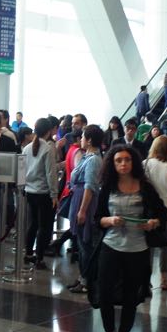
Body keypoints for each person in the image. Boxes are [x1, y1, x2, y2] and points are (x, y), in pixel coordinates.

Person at [93, 144, 166, 332]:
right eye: (118, 160)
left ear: (133, 162)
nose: (123, 164)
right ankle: (109, 330)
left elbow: (162, 214)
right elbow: (97, 219)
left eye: (127, 159)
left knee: (130, 296)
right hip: (111, 245)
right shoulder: (107, 187)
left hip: (138, 248)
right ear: (112, 164)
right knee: (104, 292)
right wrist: (109, 220)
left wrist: (153, 222)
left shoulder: (145, 187)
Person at [143, 136, 167, 291]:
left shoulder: (145, 164)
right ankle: (164, 280)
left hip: (149, 210)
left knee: (148, 246)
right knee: (165, 245)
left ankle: (146, 280)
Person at [69, 125, 106, 294]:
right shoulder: (88, 157)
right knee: (82, 244)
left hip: (86, 202)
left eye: (83, 137)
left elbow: (90, 186)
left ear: (89, 140)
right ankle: (83, 277)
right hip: (79, 198)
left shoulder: (93, 160)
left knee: (86, 244)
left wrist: (83, 210)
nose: (81, 139)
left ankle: (87, 281)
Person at [21, 117, 60, 271]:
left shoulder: (26, 148)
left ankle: (28, 253)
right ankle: (39, 257)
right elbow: (51, 173)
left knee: (33, 224)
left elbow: (23, 170)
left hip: (30, 191)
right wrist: (54, 194)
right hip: (44, 193)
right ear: (49, 131)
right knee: (44, 226)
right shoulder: (48, 148)